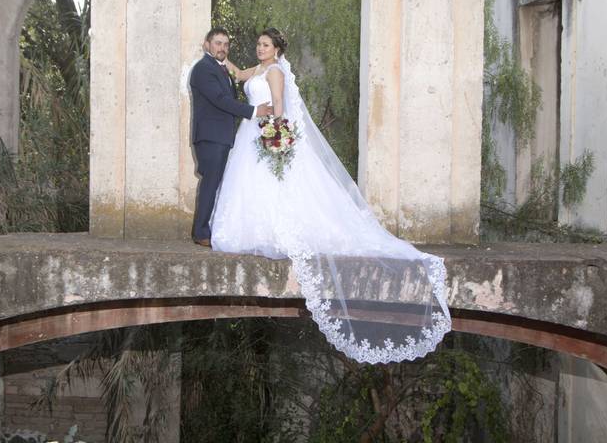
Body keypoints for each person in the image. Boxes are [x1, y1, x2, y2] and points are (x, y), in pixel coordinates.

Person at [210, 28, 452, 364]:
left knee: (275, 186)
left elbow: (279, 106)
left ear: (277, 49)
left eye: (265, 45)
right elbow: (237, 74)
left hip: (265, 131)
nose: (259, 48)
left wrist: (276, 135)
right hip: (248, 135)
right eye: (258, 44)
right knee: (249, 186)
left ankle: (277, 228)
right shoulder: (258, 70)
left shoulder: (276, 72)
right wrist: (216, 54)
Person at [189, 28, 272, 248]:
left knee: (216, 183)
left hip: (221, 136)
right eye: (217, 43)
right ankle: (200, 232)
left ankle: (208, 228)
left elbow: (237, 79)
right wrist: (254, 111)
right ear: (207, 44)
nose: (222, 48)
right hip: (210, 136)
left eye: (226, 44)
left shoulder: (219, 68)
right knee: (210, 183)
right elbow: (219, 100)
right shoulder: (203, 69)